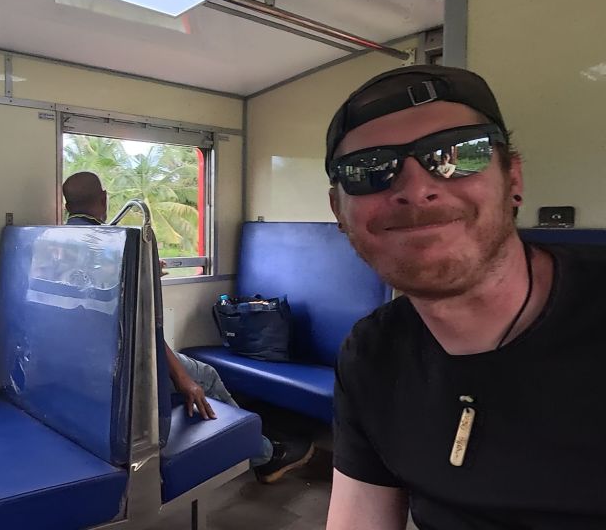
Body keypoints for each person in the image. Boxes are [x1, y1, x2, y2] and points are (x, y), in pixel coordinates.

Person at [324, 65, 606, 528]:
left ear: (513, 179)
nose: (417, 190)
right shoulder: (371, 353)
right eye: (370, 170)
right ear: (339, 210)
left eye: (458, 153)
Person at [63, 171, 314, 483]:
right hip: (121, 371)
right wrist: (183, 379)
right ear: (104, 198)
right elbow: (143, 332)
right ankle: (263, 455)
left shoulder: (61, 244)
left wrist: (146, 276)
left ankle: (245, 436)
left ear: (67, 205)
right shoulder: (117, 248)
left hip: (83, 370)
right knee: (204, 375)